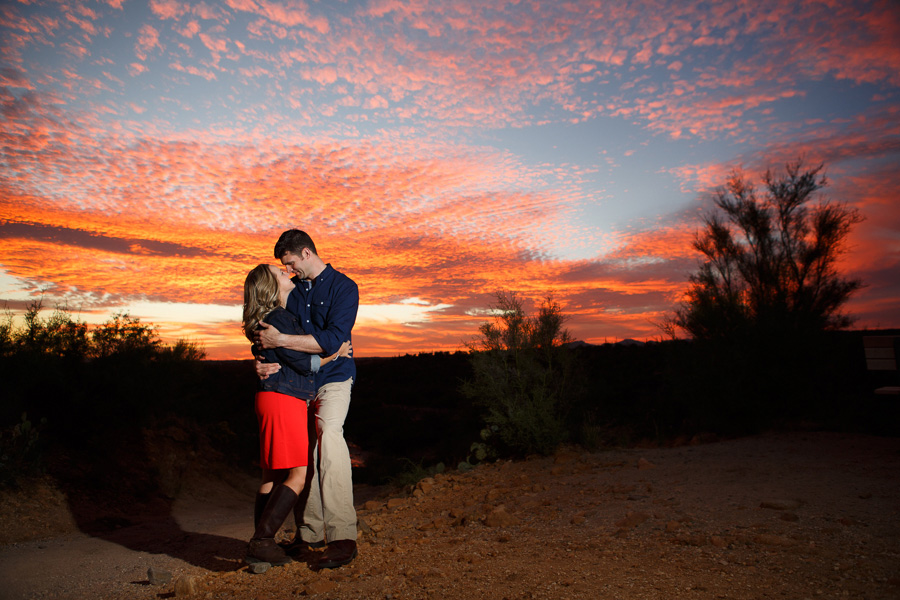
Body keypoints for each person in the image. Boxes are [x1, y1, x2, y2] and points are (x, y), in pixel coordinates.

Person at [254, 229, 360, 570]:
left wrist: (281, 341)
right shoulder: (293, 293)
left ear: (306, 253)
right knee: (305, 456)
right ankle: (309, 534)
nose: (288, 271)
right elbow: (270, 330)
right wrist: (261, 358)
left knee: (329, 435)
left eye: (290, 264)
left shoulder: (345, 288)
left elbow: (331, 341)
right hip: (298, 384)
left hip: (334, 378)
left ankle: (343, 536)